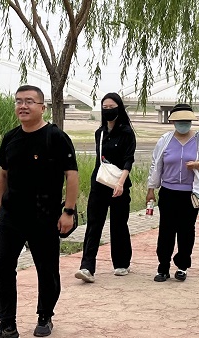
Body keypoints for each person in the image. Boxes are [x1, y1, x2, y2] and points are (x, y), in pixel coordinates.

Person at [0, 85, 79, 338]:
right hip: (11, 216)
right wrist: (1, 207)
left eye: (29, 101)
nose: (23, 106)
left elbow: (71, 175)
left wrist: (68, 211)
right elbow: (3, 174)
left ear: (42, 107)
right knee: (1, 265)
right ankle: (7, 325)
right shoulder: (10, 138)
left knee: (46, 269)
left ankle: (45, 316)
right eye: (18, 101)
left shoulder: (55, 137)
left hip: (44, 215)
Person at [75, 93, 136, 283]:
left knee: (119, 224)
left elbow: (128, 160)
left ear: (119, 108)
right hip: (100, 184)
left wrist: (120, 183)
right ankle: (87, 267)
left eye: (112, 107)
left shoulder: (126, 132)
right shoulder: (99, 133)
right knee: (94, 225)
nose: (108, 110)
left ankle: (121, 262)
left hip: (119, 185)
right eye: (105, 107)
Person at [146, 103, 199, 282]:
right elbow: (156, 165)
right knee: (166, 230)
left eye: (186, 121)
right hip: (168, 192)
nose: (183, 124)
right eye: (179, 121)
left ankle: (182, 266)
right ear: (172, 122)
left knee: (186, 231)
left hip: (190, 194)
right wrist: (151, 189)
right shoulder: (165, 140)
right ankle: (163, 267)